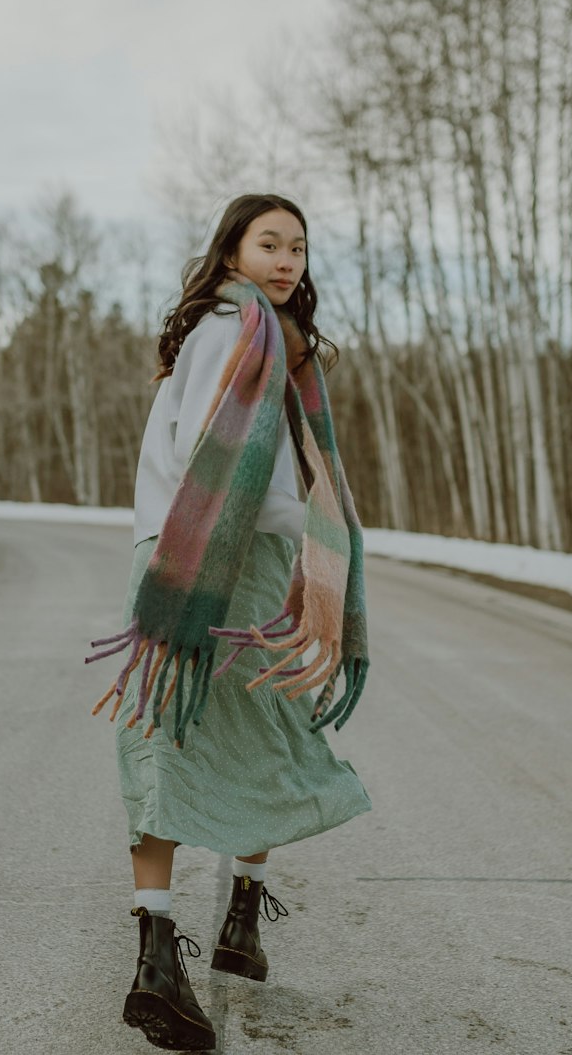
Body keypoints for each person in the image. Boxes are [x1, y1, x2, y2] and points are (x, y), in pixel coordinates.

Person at [87, 193, 371, 1052]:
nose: (287, 260)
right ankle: (159, 960)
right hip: (203, 557)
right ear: (234, 251)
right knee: (186, 736)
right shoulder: (228, 331)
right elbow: (203, 459)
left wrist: (301, 526)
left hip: (219, 561)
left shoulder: (274, 347)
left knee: (242, 732)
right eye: (270, 243)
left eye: (299, 247)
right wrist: (314, 524)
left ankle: (235, 923)